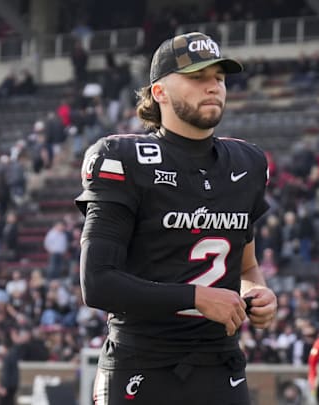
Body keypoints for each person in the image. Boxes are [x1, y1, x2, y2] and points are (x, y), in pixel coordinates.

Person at [75, 31, 277, 405]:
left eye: (218, 77)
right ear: (159, 92)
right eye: (196, 77)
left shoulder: (247, 163)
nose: (213, 86)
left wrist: (257, 295)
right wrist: (196, 297)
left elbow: (247, 269)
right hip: (142, 364)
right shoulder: (124, 159)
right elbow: (97, 283)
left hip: (220, 365)